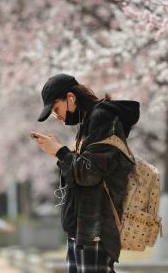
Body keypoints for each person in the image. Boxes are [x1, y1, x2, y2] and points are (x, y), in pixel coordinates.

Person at [32, 73, 139, 273]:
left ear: (70, 98)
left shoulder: (102, 117)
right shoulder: (89, 121)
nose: (58, 117)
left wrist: (60, 151)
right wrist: (61, 155)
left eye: (56, 109)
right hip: (83, 227)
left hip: (95, 227)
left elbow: (90, 173)